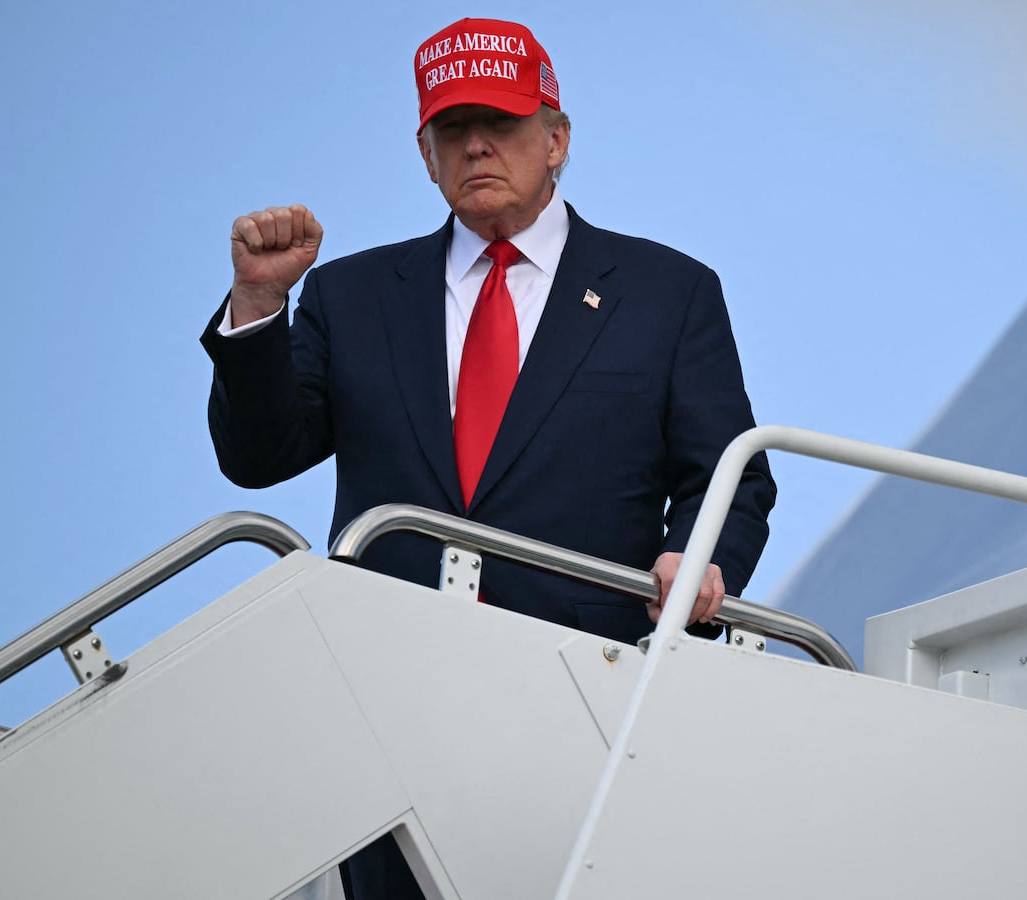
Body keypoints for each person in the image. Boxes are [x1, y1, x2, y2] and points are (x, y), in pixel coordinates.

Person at [199, 17, 775, 898]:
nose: (475, 146)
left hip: (589, 696)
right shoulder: (350, 295)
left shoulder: (669, 291)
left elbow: (733, 476)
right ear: (425, 155)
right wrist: (257, 306)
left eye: (500, 124)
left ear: (556, 139)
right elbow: (259, 456)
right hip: (387, 702)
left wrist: (698, 556)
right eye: (451, 130)